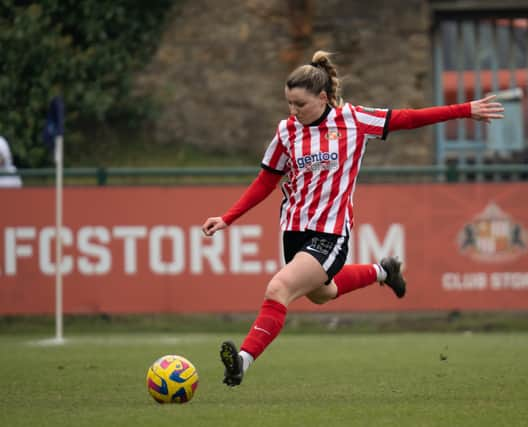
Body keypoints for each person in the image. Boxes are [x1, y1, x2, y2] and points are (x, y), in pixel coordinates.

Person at [202, 50, 504, 387]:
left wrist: (464, 111)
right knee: (322, 294)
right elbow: (266, 180)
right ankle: (383, 271)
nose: (293, 111)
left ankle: (242, 362)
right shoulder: (286, 132)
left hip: (330, 234)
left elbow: (409, 118)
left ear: (323, 97)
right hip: (293, 231)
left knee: (278, 288)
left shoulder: (354, 120)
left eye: (300, 104)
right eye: (288, 103)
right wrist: (229, 218)